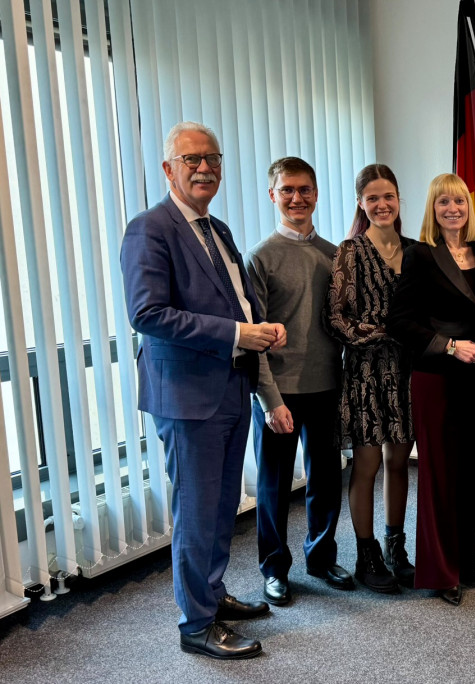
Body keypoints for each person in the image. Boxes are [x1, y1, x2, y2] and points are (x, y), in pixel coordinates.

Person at [120, 121, 286, 659]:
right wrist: (239, 333)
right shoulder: (150, 228)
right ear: (169, 169)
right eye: (191, 159)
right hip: (188, 396)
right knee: (196, 511)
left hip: (233, 387)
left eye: (211, 158)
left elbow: (235, 300)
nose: (203, 168)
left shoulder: (219, 230)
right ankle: (196, 625)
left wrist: (262, 325)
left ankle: (211, 596)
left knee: (220, 508)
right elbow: (148, 314)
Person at [245, 157, 351, 607]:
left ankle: (321, 557)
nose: (296, 198)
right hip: (279, 392)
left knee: (327, 479)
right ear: (273, 195)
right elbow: (253, 338)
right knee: (273, 486)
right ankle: (274, 568)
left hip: (327, 385)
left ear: (316, 194)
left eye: (305, 189)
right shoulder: (260, 258)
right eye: (287, 190)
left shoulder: (335, 255)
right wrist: (270, 400)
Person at [386, 173, 475, 606]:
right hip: (436, 374)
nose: (453, 209)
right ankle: (440, 571)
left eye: (460, 202)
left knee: (472, 469)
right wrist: (450, 346)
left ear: (469, 208)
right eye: (443, 202)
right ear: (433, 209)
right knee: (439, 474)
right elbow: (399, 322)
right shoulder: (420, 256)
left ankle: (465, 561)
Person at [326, 164, 418, 594]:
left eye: (389, 196)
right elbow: (336, 318)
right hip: (366, 370)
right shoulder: (350, 250)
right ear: (361, 203)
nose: (382, 205)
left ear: (399, 200)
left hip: (409, 371)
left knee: (400, 461)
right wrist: (381, 333)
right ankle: (367, 555)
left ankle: (396, 547)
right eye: (373, 198)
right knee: (368, 463)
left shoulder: (417, 250)